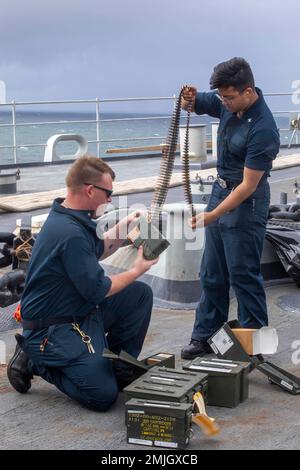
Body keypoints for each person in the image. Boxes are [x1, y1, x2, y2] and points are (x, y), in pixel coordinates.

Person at [7, 155, 158, 411]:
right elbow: (101, 289)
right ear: (90, 190)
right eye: (108, 193)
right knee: (102, 396)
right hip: (52, 329)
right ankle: (35, 360)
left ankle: (118, 368)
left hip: (77, 310)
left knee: (139, 295)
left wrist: (126, 225)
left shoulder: (71, 217)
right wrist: (137, 269)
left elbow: (98, 249)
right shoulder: (70, 233)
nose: (110, 199)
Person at [181, 57, 280, 359]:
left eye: (228, 97)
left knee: (243, 274)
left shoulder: (264, 129)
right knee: (212, 272)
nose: (222, 103)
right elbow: (198, 102)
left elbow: (248, 186)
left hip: (246, 202)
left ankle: (255, 348)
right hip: (220, 190)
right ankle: (205, 336)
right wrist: (190, 98)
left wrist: (213, 214)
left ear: (248, 92)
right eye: (221, 97)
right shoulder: (228, 101)